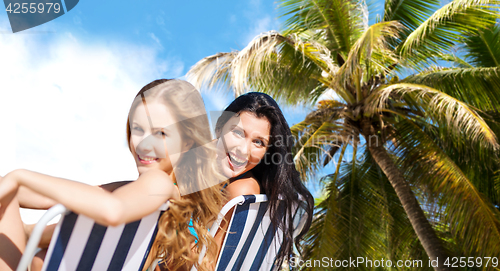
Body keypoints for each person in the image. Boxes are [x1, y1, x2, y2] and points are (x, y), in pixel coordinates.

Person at [0, 79, 225, 271]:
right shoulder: (165, 191)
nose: (144, 144)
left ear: (187, 142)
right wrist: (13, 188)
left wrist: (18, 176)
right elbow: (62, 196)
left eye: (160, 133)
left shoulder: (157, 184)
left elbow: (112, 210)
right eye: (138, 129)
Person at [212, 92, 314, 268]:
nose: (243, 150)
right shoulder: (191, 162)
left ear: (268, 152)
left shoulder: (242, 192)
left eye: (258, 142)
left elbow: (208, 264)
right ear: (220, 127)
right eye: (237, 132)